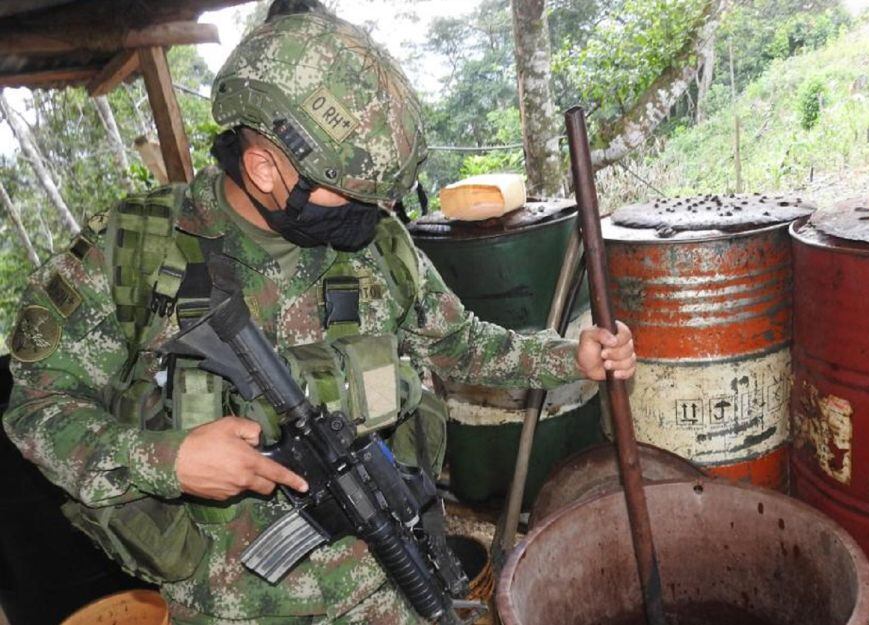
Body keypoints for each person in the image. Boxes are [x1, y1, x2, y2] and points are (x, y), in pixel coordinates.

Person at [2, 5, 635, 624]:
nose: (375, 208)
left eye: (383, 192)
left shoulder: (380, 244)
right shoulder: (133, 254)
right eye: (354, 191)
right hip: (237, 608)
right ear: (263, 168)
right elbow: (35, 408)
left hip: (390, 583)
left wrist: (568, 354)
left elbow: (460, 344)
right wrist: (164, 460)